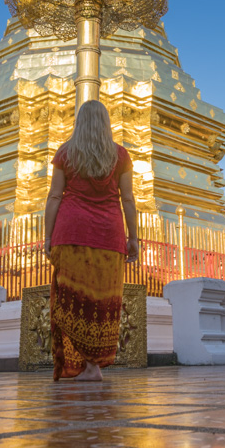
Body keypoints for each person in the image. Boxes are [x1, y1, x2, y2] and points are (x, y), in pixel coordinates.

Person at [43, 100, 138, 382]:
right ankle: (93, 366)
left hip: (70, 232)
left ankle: (85, 365)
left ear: (78, 122)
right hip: (108, 235)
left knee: (70, 299)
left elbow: (54, 196)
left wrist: (47, 236)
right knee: (102, 302)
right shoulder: (120, 156)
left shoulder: (65, 153)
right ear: (106, 123)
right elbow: (129, 199)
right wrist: (133, 237)